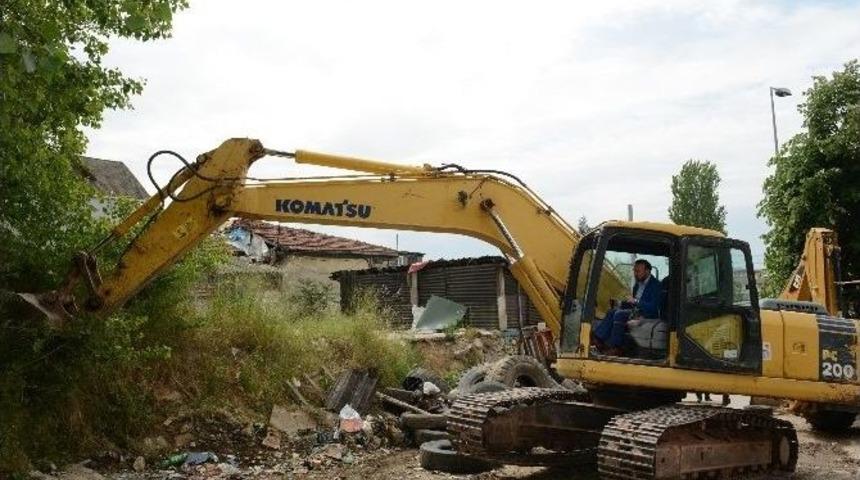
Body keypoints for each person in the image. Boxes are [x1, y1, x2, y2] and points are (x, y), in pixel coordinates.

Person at [592, 259, 661, 355]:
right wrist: (620, 303)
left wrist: (636, 301)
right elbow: (634, 304)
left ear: (647, 271)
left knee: (619, 314)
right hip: (635, 311)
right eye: (634, 271)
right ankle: (598, 339)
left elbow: (653, 307)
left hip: (646, 315)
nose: (635, 274)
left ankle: (616, 347)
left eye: (638, 271)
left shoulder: (656, 286)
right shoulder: (637, 285)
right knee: (612, 311)